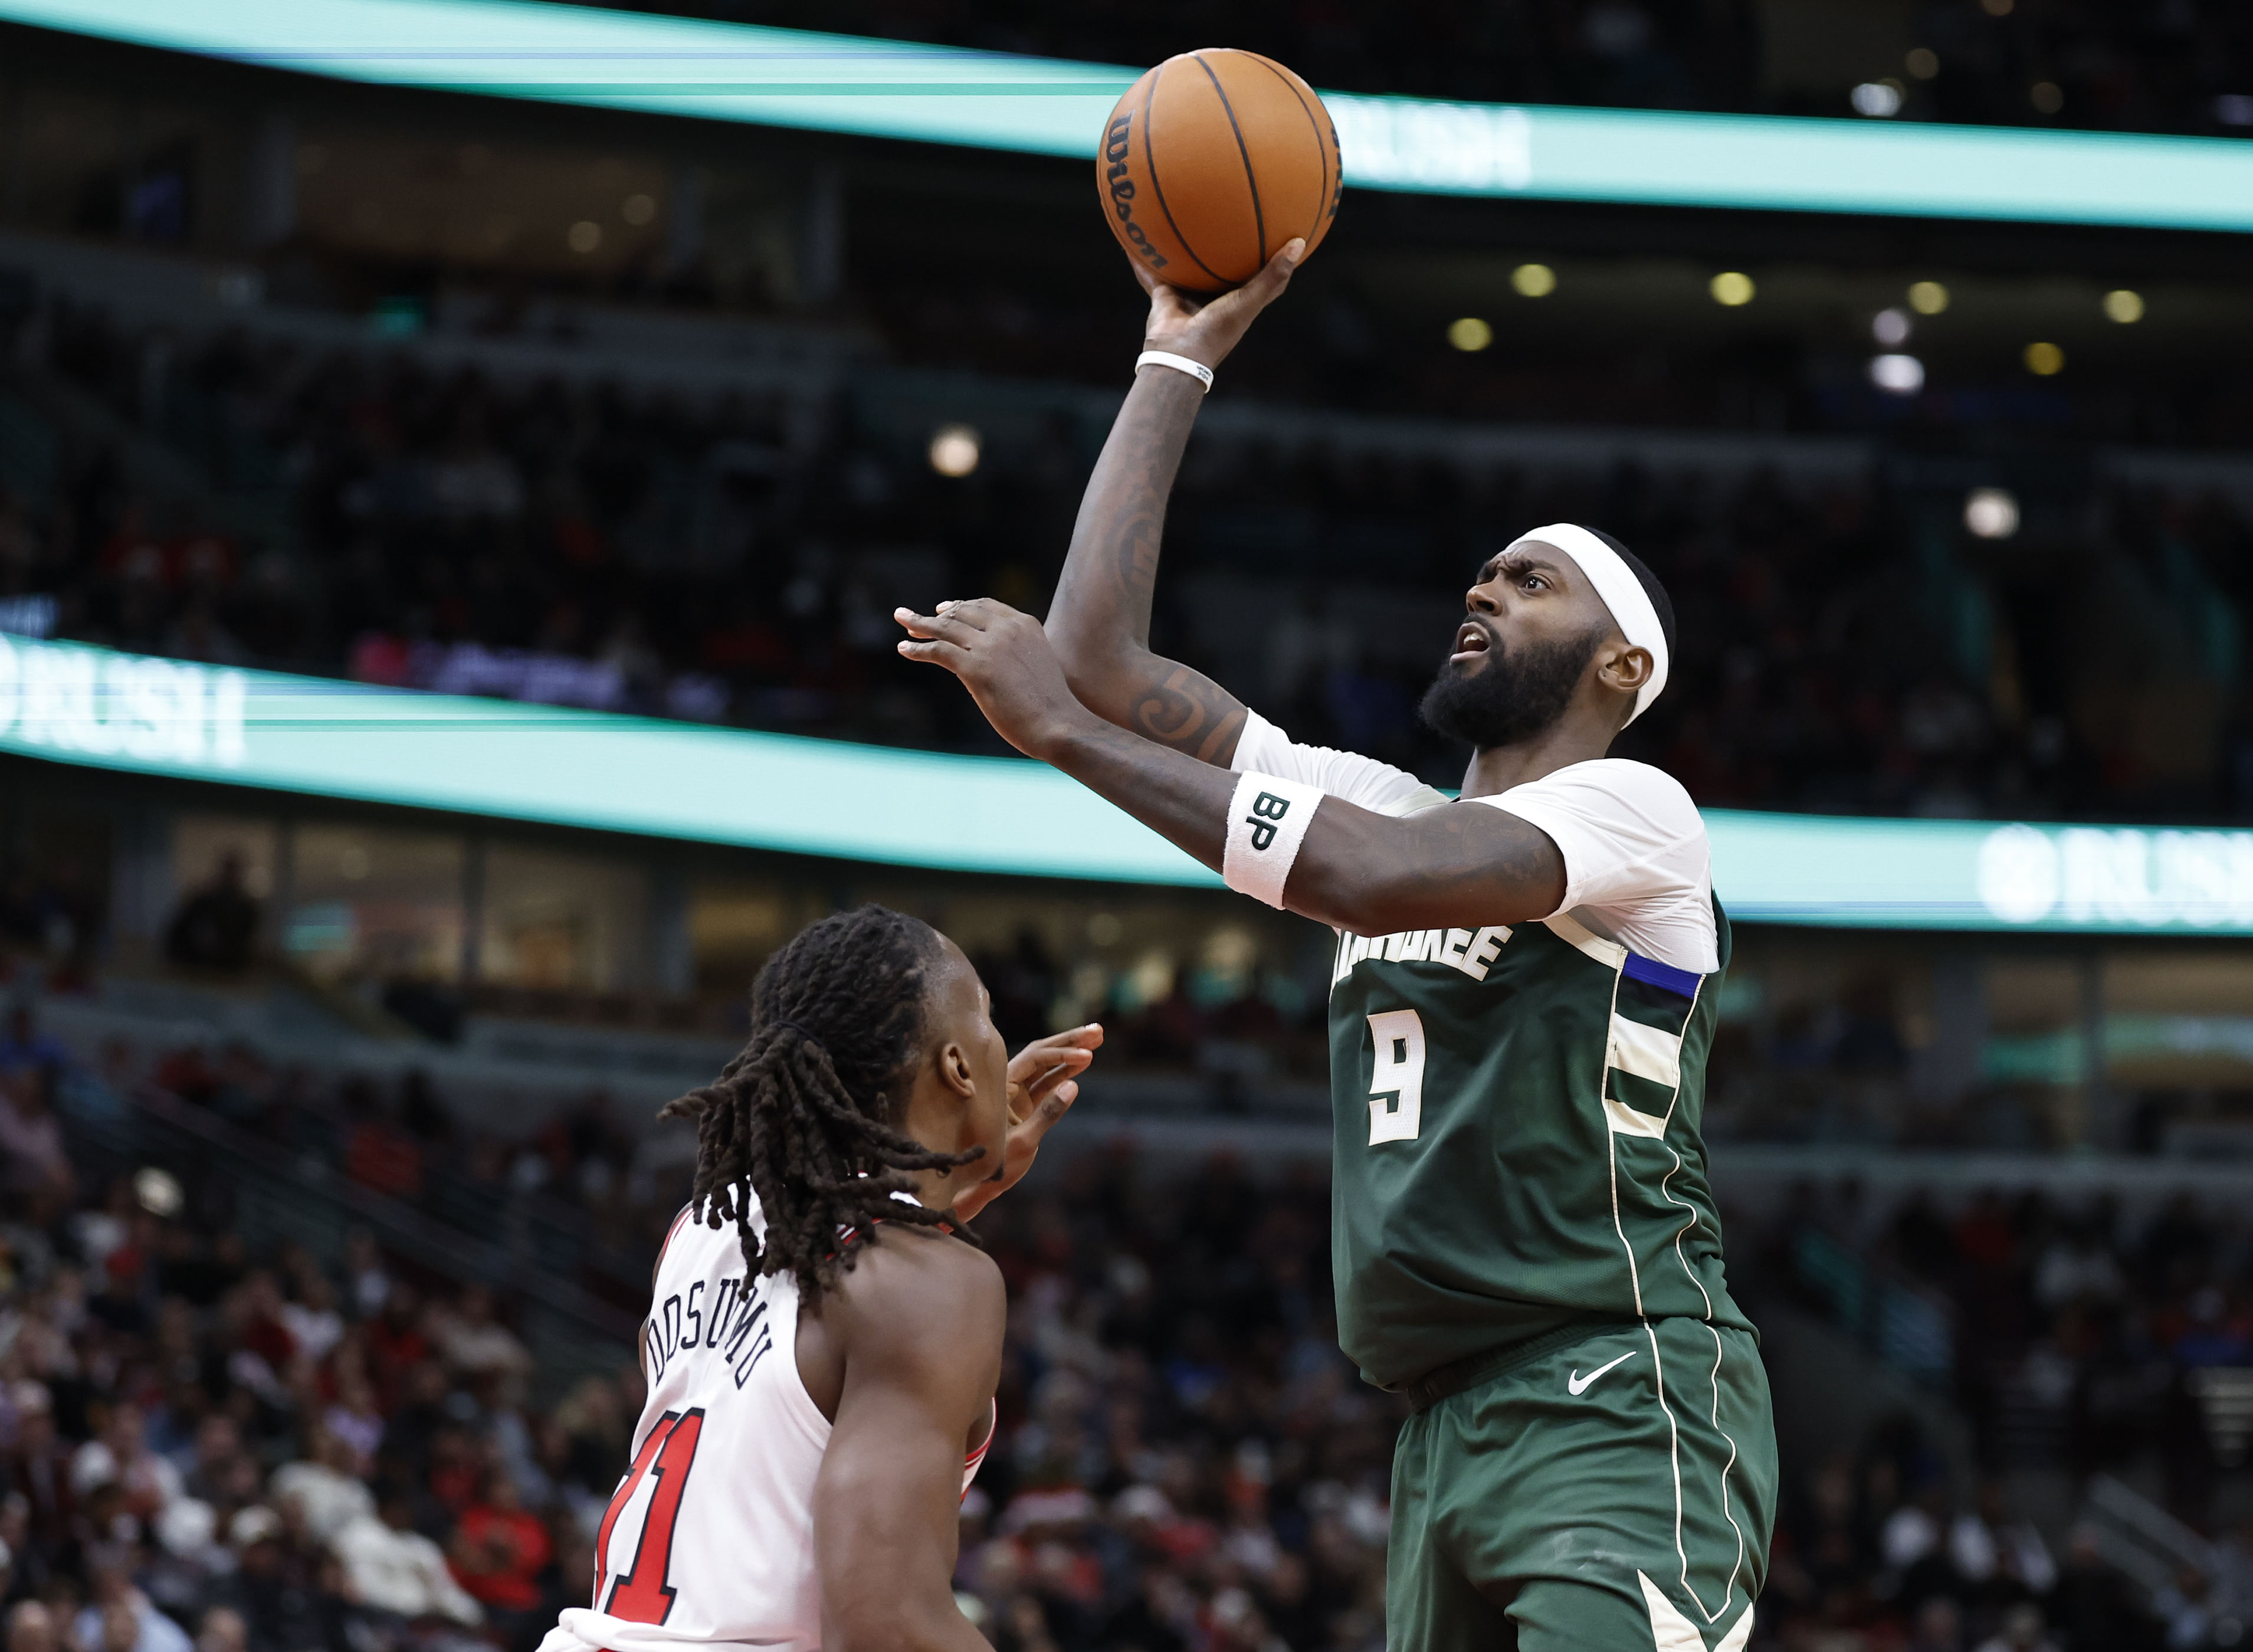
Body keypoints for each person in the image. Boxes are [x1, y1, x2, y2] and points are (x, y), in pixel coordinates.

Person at [893, 245, 1773, 1650]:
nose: (1483, 592)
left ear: (1622, 669)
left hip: (1618, 1391)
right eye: (1483, 573)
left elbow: (1359, 880)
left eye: (1533, 583)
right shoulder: (1378, 798)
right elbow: (1103, 660)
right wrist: (1175, 362)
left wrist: (1058, 738)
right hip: (1440, 1429)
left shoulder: (1634, 815)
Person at [539, 906, 1101, 1652]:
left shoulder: (705, 1227)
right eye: (989, 1018)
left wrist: (954, 1183)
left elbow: (799, 1353)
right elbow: (885, 1627)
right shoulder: (930, 1285)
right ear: (959, 1068)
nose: (1004, 1043)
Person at [163, 854, 258, 973]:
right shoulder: (201, 901)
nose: (229, 876)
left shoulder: (246, 909)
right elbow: (175, 937)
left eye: (233, 871)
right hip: (194, 969)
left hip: (227, 974)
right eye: (227, 870)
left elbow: (245, 948)